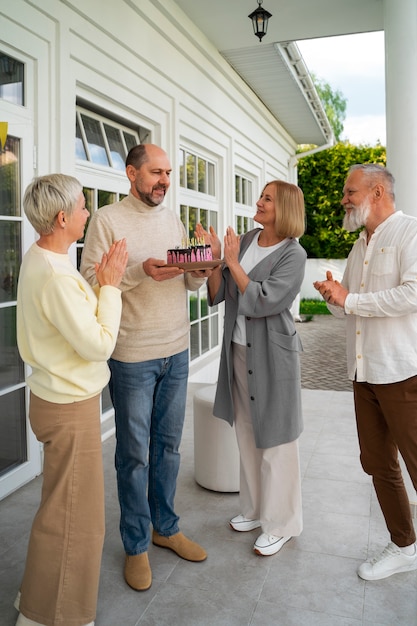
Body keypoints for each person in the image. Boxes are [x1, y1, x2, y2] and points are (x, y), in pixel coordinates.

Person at [80, 143, 208, 593]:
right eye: (156, 172)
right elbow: (92, 281)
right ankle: (136, 545)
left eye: (169, 173)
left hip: (176, 350)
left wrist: (202, 264)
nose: (165, 180)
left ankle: (165, 527)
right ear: (131, 173)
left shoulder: (172, 219)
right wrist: (139, 271)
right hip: (131, 353)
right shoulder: (107, 220)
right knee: (134, 455)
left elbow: (189, 281)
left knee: (169, 447)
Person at [15, 174, 128, 626]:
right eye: (83, 207)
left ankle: (38, 601)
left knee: (60, 510)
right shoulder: (56, 276)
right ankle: (54, 615)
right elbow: (99, 344)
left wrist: (101, 284)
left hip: (54, 400)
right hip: (69, 409)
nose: (88, 214)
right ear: (62, 218)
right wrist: (111, 285)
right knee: (76, 520)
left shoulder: (46, 259)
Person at [314, 163, 417, 581]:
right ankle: (403, 545)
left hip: (402, 372)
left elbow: (413, 294)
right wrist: (333, 297)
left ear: (376, 192)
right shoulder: (360, 244)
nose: (343, 198)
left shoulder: (408, 232)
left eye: (349, 191)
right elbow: (350, 307)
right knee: (377, 463)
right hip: (364, 374)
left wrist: (350, 298)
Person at [196, 179, 306, 556]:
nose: (258, 202)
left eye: (267, 199)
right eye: (260, 196)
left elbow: (264, 299)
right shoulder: (244, 241)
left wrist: (230, 263)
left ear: (285, 209)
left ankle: (283, 523)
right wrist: (214, 261)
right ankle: (257, 511)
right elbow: (223, 291)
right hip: (239, 351)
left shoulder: (294, 254)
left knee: (276, 438)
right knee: (246, 433)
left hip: (274, 357)